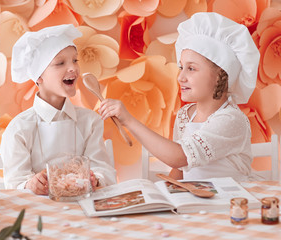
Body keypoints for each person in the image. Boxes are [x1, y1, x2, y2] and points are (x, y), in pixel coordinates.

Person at [99, 12, 262, 181]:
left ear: (220, 74)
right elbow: (181, 168)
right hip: (200, 203)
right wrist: (165, 192)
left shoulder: (231, 119)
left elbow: (180, 156)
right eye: (181, 67)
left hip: (231, 202)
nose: (180, 77)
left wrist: (128, 120)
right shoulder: (186, 115)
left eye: (191, 68)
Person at [0, 24, 117, 194]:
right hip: (39, 214)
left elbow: (103, 169)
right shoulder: (19, 128)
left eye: (75, 60)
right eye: (60, 63)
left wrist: (96, 179)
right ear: (39, 76)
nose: (73, 68)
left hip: (84, 209)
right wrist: (30, 185)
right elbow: (14, 182)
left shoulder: (90, 121)